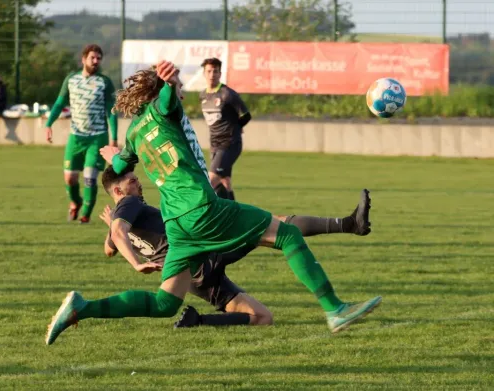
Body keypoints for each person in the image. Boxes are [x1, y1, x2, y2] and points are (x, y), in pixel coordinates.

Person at [45, 61, 381, 345]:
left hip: (177, 226)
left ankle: (82, 308)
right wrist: (166, 83)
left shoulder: (134, 133)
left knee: (165, 303)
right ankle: (335, 309)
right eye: (175, 88)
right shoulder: (164, 110)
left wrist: (115, 157)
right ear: (159, 92)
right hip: (204, 210)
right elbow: (165, 101)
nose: (178, 92)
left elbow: (120, 168)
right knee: (287, 234)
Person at [97, 165, 373, 328]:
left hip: (192, 279)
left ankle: (197, 321)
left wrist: (113, 228)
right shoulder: (129, 204)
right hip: (200, 255)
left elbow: (109, 250)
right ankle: (348, 225)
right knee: (273, 226)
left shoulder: (124, 214)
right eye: (132, 181)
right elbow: (119, 234)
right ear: (119, 191)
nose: (139, 183)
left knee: (262, 317)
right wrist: (134, 260)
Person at [44, 44, 118, 224]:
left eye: (99, 58)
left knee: (90, 178)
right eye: (92, 57)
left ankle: (85, 214)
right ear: (83, 59)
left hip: (98, 136)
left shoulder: (104, 82)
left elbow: (112, 111)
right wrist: (49, 124)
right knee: (70, 178)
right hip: (76, 137)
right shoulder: (71, 80)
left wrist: (114, 138)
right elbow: (60, 103)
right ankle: (75, 202)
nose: (96, 61)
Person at [199, 57, 250, 200]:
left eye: (215, 71)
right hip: (215, 144)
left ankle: (197, 214)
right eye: (209, 71)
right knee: (224, 181)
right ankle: (235, 213)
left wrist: (237, 127)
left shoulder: (228, 94)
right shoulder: (202, 95)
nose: (212, 75)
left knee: (210, 181)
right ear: (204, 73)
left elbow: (246, 114)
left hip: (229, 143)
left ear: (220, 74)